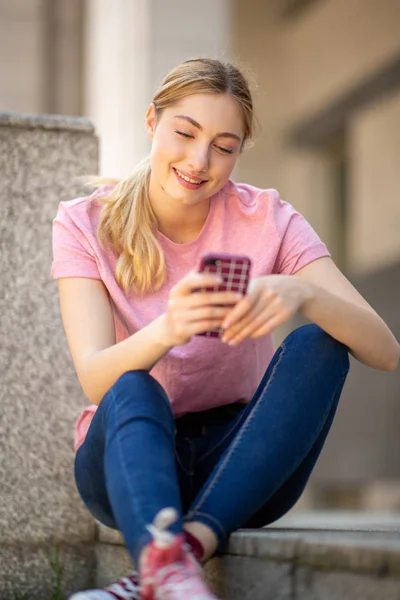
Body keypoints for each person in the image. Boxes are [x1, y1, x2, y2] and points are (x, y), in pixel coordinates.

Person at [51, 58, 399, 600]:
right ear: (152, 122)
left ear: (240, 151)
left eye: (223, 145)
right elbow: (96, 378)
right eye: (185, 133)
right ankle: (172, 565)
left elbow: (385, 351)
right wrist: (169, 328)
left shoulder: (268, 219)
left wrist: (305, 294)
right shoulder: (84, 222)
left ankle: (176, 559)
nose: (198, 160)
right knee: (132, 384)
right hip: (128, 459)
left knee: (320, 343)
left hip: (241, 467)